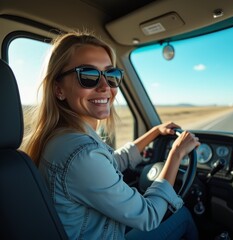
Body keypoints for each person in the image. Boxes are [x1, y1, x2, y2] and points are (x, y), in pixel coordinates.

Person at [23, 31, 200, 240]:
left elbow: (110, 163)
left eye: (111, 75)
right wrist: (177, 154)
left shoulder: (61, 138)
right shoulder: (82, 153)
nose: (105, 86)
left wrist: (153, 133)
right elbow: (149, 216)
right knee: (184, 214)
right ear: (58, 89)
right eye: (88, 76)